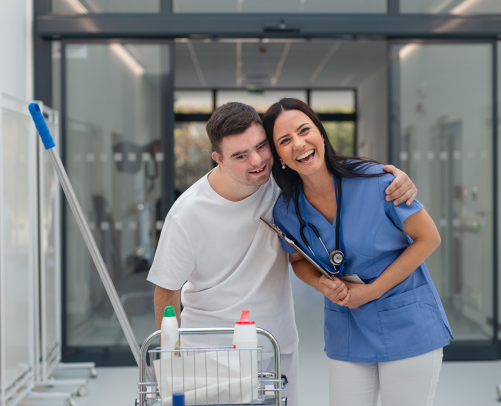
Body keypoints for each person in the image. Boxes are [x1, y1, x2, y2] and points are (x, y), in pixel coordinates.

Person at [147, 102, 418, 406]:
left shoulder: (281, 184)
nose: (258, 161)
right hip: (209, 350)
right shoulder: (186, 214)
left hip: (273, 346)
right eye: (240, 155)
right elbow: (167, 290)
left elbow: (334, 178)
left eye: (262, 146)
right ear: (218, 159)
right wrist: (172, 360)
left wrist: (396, 178)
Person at [262, 98, 454, 406]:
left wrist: (372, 291)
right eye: (285, 140)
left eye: (304, 130)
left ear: (321, 134)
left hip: (407, 322)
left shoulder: (376, 180)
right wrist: (320, 283)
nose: (298, 143)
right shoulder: (286, 210)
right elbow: (297, 260)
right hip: (347, 326)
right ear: (279, 156)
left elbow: (428, 238)